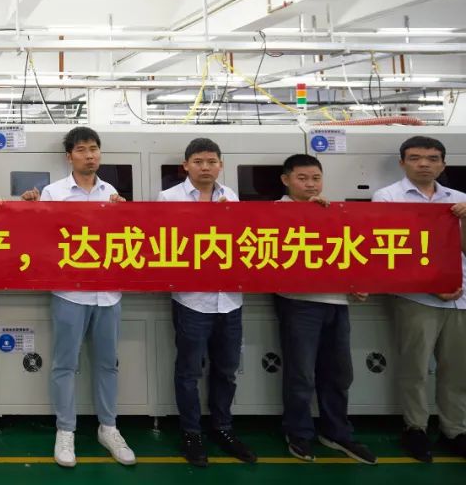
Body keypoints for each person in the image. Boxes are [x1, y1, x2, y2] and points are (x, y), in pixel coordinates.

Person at [21, 126, 136, 468]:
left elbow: (123, 239)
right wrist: (30, 210)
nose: (90, 156)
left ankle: (108, 428)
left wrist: (124, 214)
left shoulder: (111, 192)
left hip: (107, 295)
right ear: (69, 156)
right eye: (82, 150)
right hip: (70, 294)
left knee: (107, 364)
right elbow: (41, 237)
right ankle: (65, 430)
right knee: (64, 365)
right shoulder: (53, 193)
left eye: (94, 149)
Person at [158, 137, 256, 467]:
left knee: (226, 370)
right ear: (185, 166)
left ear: (221, 165)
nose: (205, 167)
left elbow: (242, 242)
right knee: (189, 371)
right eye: (198, 161)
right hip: (192, 300)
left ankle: (223, 428)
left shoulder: (231, 197)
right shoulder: (168, 198)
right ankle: (191, 433)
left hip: (229, 300)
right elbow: (163, 242)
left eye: (211, 161)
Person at [274, 154, 376, 464]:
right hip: (299, 303)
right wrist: (307, 214)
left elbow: (348, 251)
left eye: (316, 178)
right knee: (301, 373)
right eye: (302, 178)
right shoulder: (274, 212)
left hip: (336, 302)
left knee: (339, 373)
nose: (310, 184)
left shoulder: (334, 212)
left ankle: (336, 431)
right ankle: (299, 432)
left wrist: (357, 283)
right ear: (286, 180)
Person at [373, 136, 466, 462]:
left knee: (457, 369)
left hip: (460, 295)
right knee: (414, 367)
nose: (424, 164)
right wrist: (431, 286)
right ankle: (416, 428)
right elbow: (393, 250)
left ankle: (455, 429)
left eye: (432, 158)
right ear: (402, 163)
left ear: (443, 164)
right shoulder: (387, 197)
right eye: (415, 158)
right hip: (417, 297)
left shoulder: (460, 199)